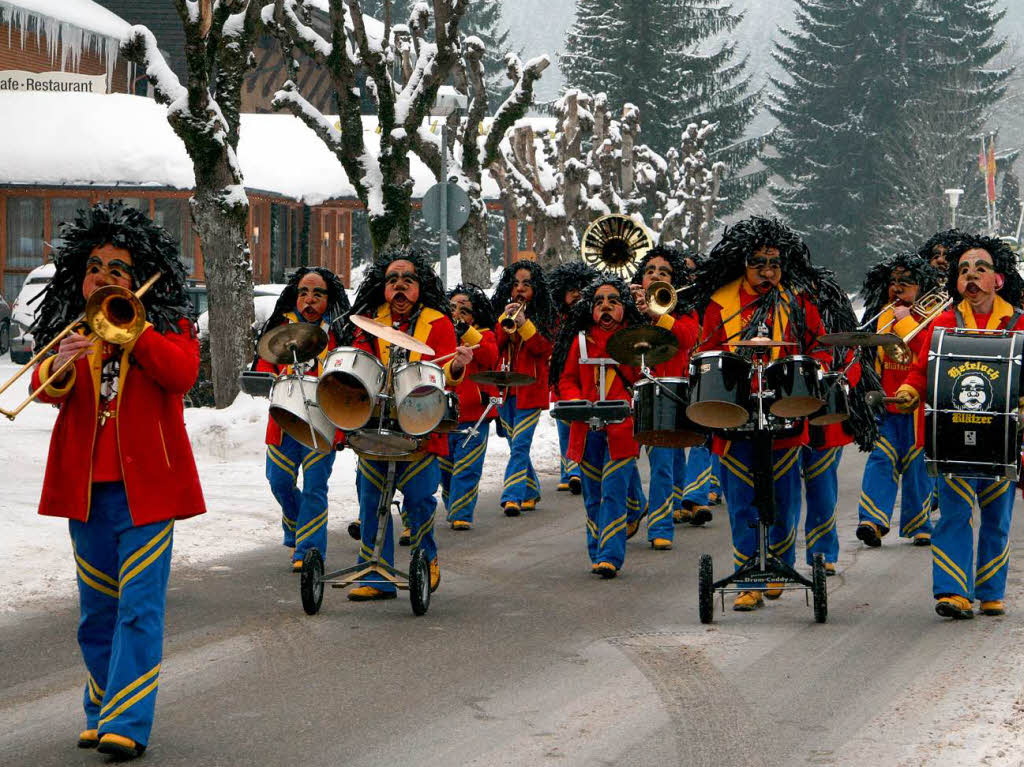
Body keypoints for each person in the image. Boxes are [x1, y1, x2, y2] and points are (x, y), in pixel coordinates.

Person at [27, 201, 205, 760]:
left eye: (117, 268)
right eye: (93, 266)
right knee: (96, 612)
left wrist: (137, 333)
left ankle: (127, 721)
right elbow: (45, 391)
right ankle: (101, 710)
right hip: (86, 490)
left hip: (147, 491)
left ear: (142, 276)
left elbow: (181, 375)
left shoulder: (168, 327)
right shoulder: (72, 332)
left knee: (138, 609)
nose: (102, 276)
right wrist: (62, 358)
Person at [690, 216, 831, 611]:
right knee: (740, 498)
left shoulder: (798, 299)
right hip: (734, 413)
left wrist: (816, 370)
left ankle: (781, 566)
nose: (767, 272)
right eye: (758, 263)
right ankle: (749, 574)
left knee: (784, 497)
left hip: (784, 409)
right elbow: (706, 352)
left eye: (774, 263)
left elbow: (818, 344)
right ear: (743, 264)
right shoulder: (720, 301)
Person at [896, 234, 1024, 619]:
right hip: (952, 435)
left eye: (980, 269)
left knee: (997, 517)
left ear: (997, 280)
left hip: (1002, 436)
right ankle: (953, 591)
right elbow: (921, 371)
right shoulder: (944, 322)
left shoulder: (1018, 322)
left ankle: (990, 592)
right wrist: (907, 391)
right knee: (953, 513)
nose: (971, 276)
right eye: (964, 270)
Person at [341, 251, 473, 600]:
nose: (399, 285)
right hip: (375, 426)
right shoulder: (368, 320)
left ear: (420, 286)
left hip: (420, 429)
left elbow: (442, 376)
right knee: (371, 501)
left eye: (408, 280)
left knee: (419, 502)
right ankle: (375, 573)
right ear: (382, 287)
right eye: (392, 280)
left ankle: (426, 560)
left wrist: (457, 368)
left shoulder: (438, 322)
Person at [254, 267, 349, 571]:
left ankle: (308, 552)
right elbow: (263, 367)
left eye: (317, 294)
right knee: (278, 481)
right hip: (284, 420)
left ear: (328, 299)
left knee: (315, 488)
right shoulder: (281, 327)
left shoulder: (339, 332)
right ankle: (297, 524)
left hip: (323, 419)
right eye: (303, 292)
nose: (308, 300)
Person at [551, 274, 646, 577]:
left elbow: (643, 379)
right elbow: (566, 379)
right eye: (599, 302)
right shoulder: (579, 340)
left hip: (622, 427)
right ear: (590, 308)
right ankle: (597, 550)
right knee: (592, 493)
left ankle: (611, 555)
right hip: (587, 425)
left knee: (613, 491)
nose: (605, 307)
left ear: (623, 307)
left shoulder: (635, 337)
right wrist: (575, 400)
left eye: (613, 301)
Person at [853, 253, 939, 549]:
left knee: (918, 466)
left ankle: (920, 524)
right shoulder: (884, 313)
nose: (897, 288)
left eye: (906, 282)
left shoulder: (935, 316)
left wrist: (906, 323)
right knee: (881, 459)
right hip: (886, 404)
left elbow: (926, 352)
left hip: (919, 407)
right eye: (893, 282)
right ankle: (872, 521)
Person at [801, 266, 879, 575]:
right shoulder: (782, 318)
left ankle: (822, 555)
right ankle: (776, 559)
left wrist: (835, 379)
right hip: (782, 418)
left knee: (822, 493)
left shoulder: (842, 332)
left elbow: (854, 367)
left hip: (826, 424)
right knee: (783, 496)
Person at [629, 246, 701, 548]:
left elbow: (688, 337)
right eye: (650, 271)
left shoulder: (683, 309)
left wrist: (658, 313)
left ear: (675, 280)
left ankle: (660, 529)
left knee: (664, 460)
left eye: (664, 272)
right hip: (632, 389)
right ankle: (636, 503)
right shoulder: (627, 304)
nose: (656, 275)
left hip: (669, 389)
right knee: (622, 459)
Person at [491, 260, 554, 516]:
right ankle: (531, 490)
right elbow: (494, 345)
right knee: (514, 443)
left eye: (526, 284)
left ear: (535, 288)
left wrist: (525, 323)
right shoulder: (502, 313)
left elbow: (543, 348)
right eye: (516, 284)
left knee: (519, 445)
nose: (519, 289)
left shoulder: (547, 317)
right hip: (506, 390)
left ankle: (512, 495)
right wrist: (505, 321)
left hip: (530, 391)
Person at [440, 283, 499, 530]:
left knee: (468, 466)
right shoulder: (441, 334)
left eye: (464, 308)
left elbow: (490, 357)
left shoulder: (485, 334)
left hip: (475, 412)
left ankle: (461, 512)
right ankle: (454, 504)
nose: (458, 312)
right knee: (445, 468)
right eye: (453, 307)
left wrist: (465, 331)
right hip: (443, 411)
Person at [547, 261, 597, 494]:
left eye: (581, 288)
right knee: (564, 428)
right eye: (571, 289)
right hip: (563, 381)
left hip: (588, 379)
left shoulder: (593, 319)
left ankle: (575, 470)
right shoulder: (555, 319)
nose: (576, 293)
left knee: (582, 425)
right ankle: (570, 471)